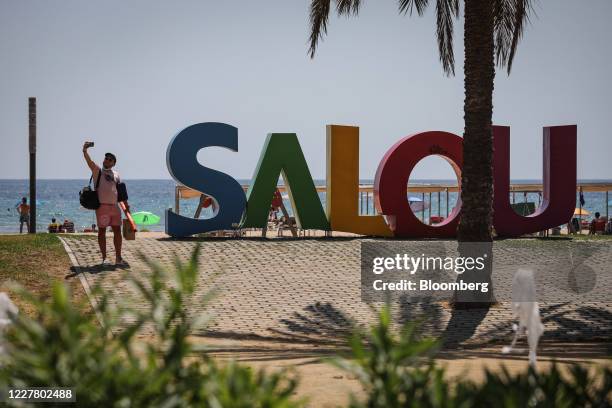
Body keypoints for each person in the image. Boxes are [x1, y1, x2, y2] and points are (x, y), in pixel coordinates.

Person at [83, 142, 127, 266]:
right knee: (102, 232)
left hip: (115, 207)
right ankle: (104, 258)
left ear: (113, 163)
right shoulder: (97, 171)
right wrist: (85, 151)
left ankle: (118, 258)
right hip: (102, 207)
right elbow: (89, 162)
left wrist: (126, 206)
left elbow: (121, 192)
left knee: (117, 231)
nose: (106, 160)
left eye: (110, 159)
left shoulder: (116, 174)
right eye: (106, 158)